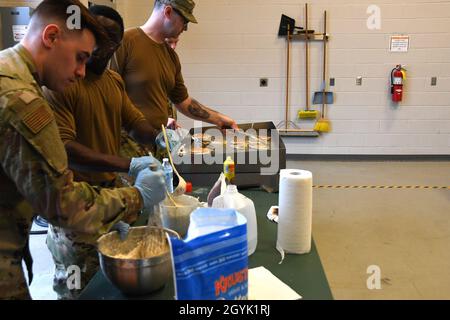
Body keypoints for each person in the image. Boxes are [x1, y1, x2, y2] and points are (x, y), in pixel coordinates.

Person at [0, 0, 166, 300]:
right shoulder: (20, 99)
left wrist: (158, 137)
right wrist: (135, 196)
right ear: (51, 37)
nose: (80, 71)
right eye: (79, 58)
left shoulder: (10, 75)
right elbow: (62, 203)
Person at [111, 0, 238, 134]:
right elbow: (106, 95)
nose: (185, 28)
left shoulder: (171, 57)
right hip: (127, 146)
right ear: (168, 12)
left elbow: (184, 102)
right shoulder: (125, 42)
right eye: (184, 21)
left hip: (158, 142)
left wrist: (219, 119)